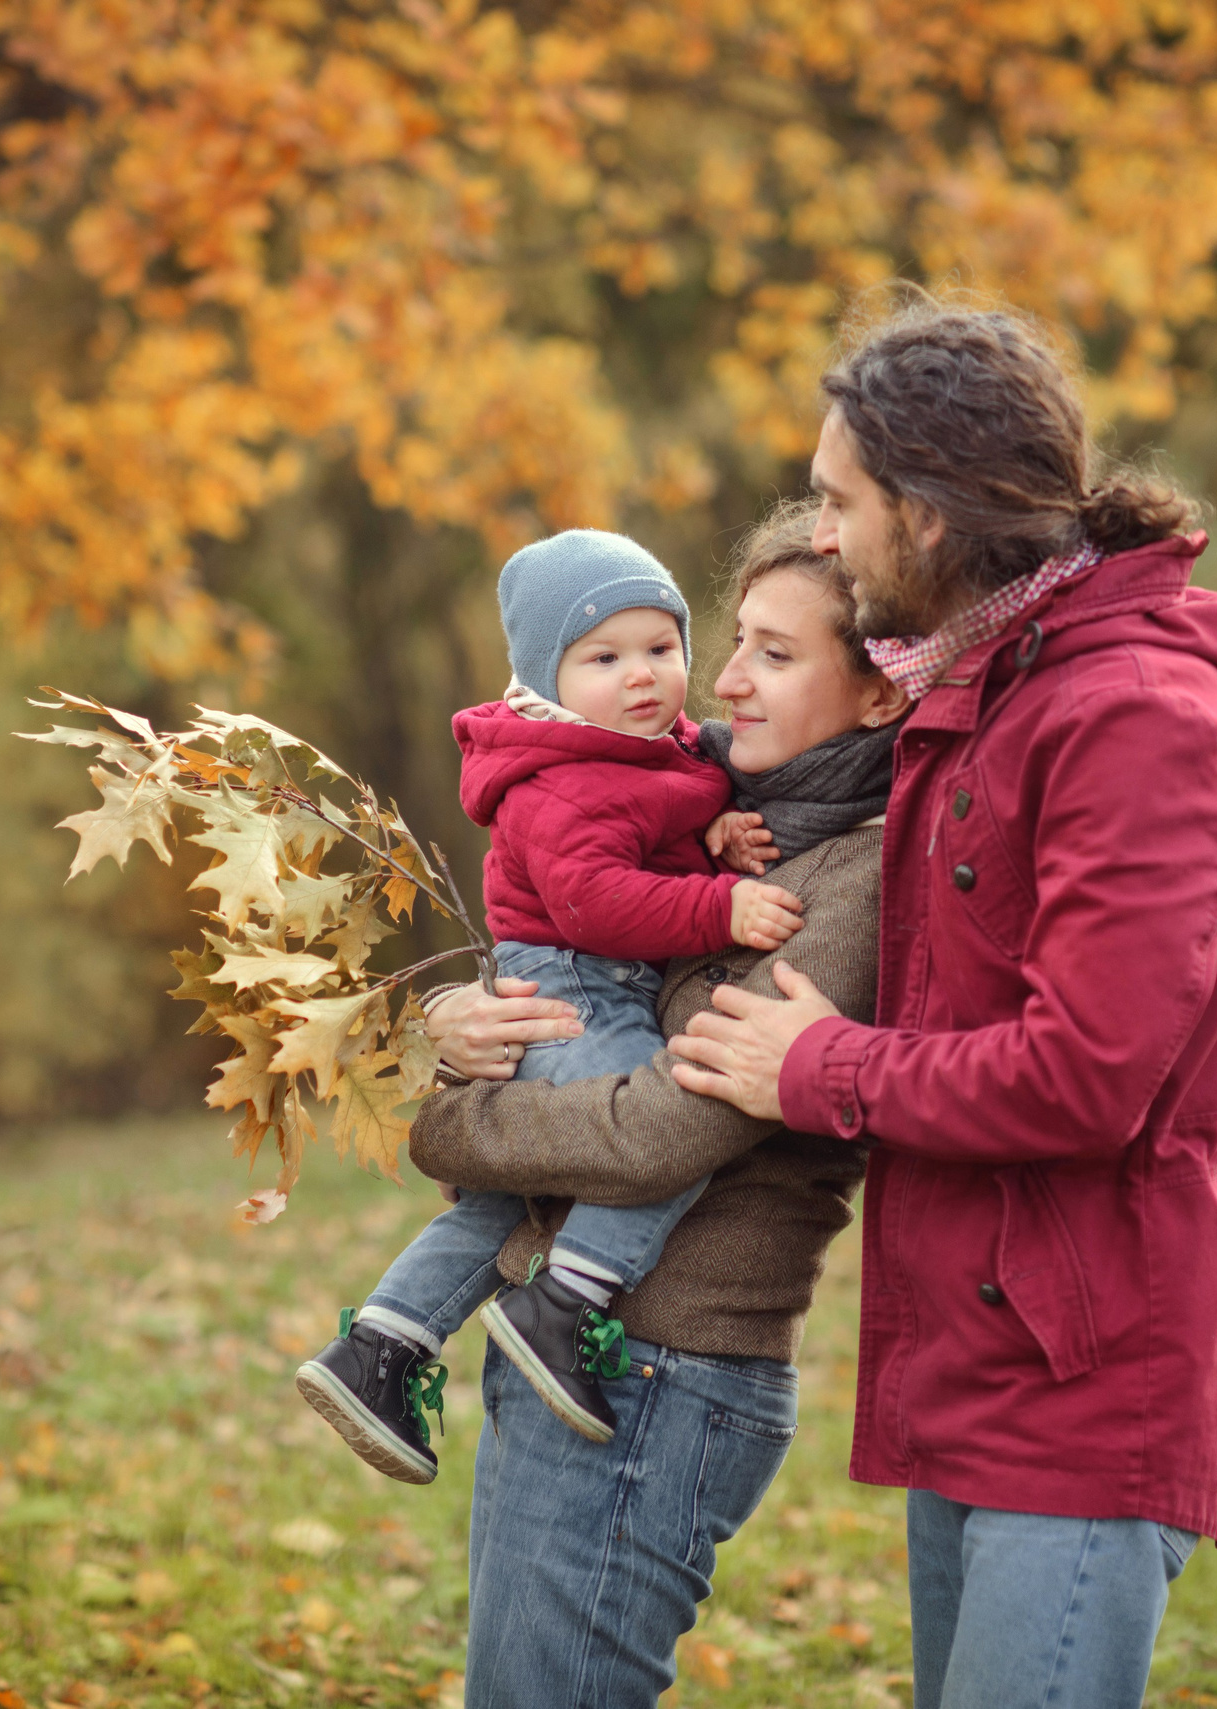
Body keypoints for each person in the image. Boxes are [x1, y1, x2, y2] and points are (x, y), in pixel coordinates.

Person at [666, 296, 1217, 1709]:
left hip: (1085, 1385)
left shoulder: (1134, 719)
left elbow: (1089, 1074)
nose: (821, 534)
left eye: (839, 500)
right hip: (973, 1369)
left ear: (931, 515)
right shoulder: (982, 694)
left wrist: (819, 1068)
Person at [408, 505, 907, 1709]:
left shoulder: (856, 877)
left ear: (884, 693)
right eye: (733, 638)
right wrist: (457, 1027)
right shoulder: (721, 833)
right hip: (582, 1344)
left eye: (776, 655)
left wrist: (443, 1123)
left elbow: (657, 1130)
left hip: (662, 1367)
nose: (719, 678)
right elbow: (578, 997)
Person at [296, 529, 810, 1475]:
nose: (642, 676)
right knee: (653, 1139)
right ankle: (568, 1301)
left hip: (591, 972)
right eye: (603, 657)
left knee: (522, 1191)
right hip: (576, 982)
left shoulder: (652, 749)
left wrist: (715, 834)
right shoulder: (558, 779)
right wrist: (720, 901)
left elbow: (660, 823)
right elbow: (598, 900)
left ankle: (382, 1343)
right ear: (547, 675)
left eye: (661, 648)